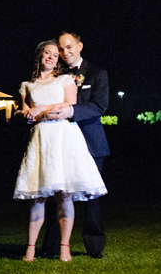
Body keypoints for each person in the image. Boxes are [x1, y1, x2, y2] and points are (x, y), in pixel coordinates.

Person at [14, 40, 106, 261]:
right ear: (39, 55)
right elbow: (23, 112)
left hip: (64, 137)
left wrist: (40, 111)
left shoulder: (65, 80)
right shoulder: (27, 85)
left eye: (55, 55)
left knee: (66, 194)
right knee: (38, 195)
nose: (52, 57)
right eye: (48, 53)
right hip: (41, 139)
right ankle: (31, 248)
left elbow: (67, 107)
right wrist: (26, 114)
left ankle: (65, 247)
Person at [40, 32, 110, 258]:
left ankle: (95, 248)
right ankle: (50, 247)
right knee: (56, 195)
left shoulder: (98, 73)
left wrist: (71, 110)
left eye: (69, 47)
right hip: (61, 142)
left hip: (90, 142)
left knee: (92, 198)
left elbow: (99, 107)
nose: (65, 52)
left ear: (80, 46)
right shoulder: (55, 75)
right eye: (61, 49)